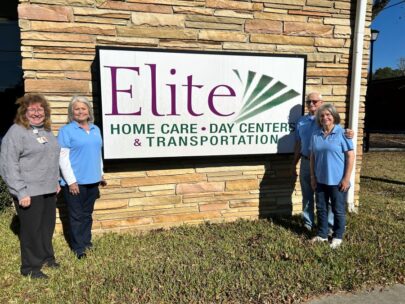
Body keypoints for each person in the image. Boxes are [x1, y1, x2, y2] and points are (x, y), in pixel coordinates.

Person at [0, 94, 60, 279]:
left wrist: (55, 181)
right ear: (23, 112)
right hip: (29, 191)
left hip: (48, 189)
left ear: (46, 112)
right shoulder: (16, 132)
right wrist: (20, 191)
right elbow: (8, 164)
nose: (36, 113)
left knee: (46, 226)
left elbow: (51, 159)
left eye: (40, 109)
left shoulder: (47, 131)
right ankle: (30, 268)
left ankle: (46, 257)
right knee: (31, 229)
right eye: (32, 109)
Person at [292, 92, 353, 232]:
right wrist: (294, 164)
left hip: (325, 164)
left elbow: (342, 133)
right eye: (308, 102)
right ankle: (308, 223)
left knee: (330, 198)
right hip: (307, 162)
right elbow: (298, 143)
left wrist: (350, 133)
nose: (311, 104)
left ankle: (330, 226)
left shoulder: (325, 119)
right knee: (307, 195)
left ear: (321, 103)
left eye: (314, 101)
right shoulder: (301, 121)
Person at [58, 96, 106, 259]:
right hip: (75, 183)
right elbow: (62, 158)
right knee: (76, 216)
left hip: (92, 181)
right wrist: (71, 181)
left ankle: (87, 242)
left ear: (88, 111)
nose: (80, 111)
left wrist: (101, 174)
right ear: (72, 112)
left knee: (87, 214)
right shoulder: (66, 131)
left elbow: (97, 153)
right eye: (76, 109)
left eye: (83, 108)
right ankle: (79, 248)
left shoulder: (95, 129)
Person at [309, 104, 354, 249]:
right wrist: (313, 177)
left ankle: (337, 236)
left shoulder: (342, 133)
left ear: (334, 116)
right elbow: (312, 157)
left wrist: (346, 179)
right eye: (322, 115)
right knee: (321, 208)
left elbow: (350, 156)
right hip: (320, 179)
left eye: (328, 115)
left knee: (338, 209)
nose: (325, 118)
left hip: (338, 181)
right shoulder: (316, 135)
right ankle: (322, 234)